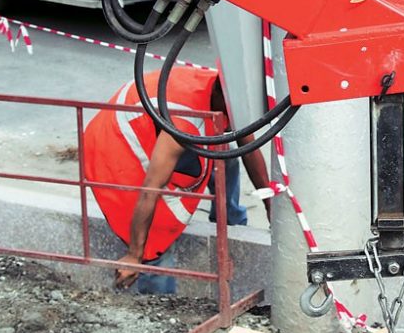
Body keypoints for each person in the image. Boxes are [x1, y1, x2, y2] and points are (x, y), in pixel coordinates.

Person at [83, 67, 270, 293]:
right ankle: (157, 303)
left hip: (148, 120)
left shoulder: (229, 95)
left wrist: (272, 207)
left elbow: (249, 151)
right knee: (156, 241)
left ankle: (232, 221)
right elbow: (150, 189)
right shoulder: (182, 123)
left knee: (225, 159)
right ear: (221, 99)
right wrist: (134, 255)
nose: (238, 122)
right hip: (117, 146)